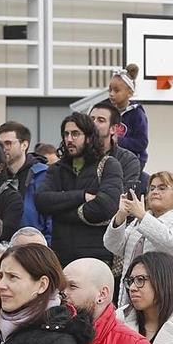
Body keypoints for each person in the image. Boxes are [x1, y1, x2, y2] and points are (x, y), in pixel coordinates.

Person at [36, 113, 124, 266]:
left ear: (89, 137)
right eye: (66, 134)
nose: (69, 139)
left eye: (75, 134)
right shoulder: (57, 169)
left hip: (96, 258)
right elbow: (42, 201)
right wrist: (82, 196)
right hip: (61, 257)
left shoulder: (109, 165)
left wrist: (60, 210)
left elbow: (106, 207)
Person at [104, 169, 173, 290]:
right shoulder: (137, 222)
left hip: (164, 292)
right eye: (152, 188)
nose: (155, 192)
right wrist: (121, 215)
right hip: (132, 290)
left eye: (162, 188)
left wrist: (142, 216)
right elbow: (113, 246)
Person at [0, 122, 50, 237]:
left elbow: (51, 217)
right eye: (0, 144)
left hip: (35, 245)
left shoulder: (43, 174)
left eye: (8, 143)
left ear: (24, 145)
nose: (3, 149)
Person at [106, 68, 152, 168]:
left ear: (130, 93)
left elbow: (142, 143)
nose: (111, 94)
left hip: (133, 162)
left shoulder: (137, 114)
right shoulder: (106, 111)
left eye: (116, 90)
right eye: (110, 90)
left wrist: (118, 140)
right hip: (111, 160)